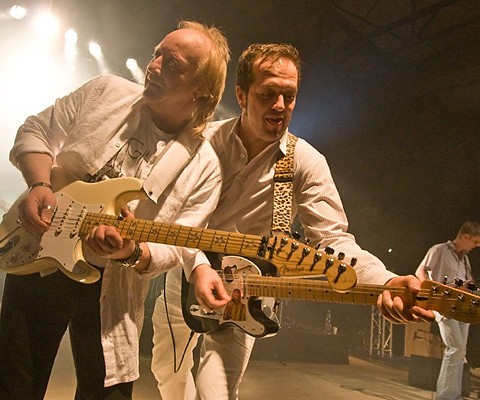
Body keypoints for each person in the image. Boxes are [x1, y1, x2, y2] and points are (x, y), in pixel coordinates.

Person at [151, 43, 435, 400]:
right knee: (167, 374)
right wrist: (196, 266)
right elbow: (174, 216)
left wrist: (387, 281)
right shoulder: (204, 141)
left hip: (244, 293)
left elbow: (334, 241)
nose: (281, 107)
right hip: (185, 275)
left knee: (217, 392)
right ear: (241, 94)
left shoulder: (304, 161)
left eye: (290, 95)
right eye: (268, 94)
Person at [0, 20, 230, 399]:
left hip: (113, 292)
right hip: (39, 253)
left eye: (172, 65)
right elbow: (36, 130)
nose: (153, 66)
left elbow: (179, 243)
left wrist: (132, 250)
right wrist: (39, 185)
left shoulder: (203, 167)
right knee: (14, 385)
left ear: (201, 92)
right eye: (157, 54)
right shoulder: (106, 91)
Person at [415, 221, 480, 400]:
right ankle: (446, 397)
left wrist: (473, 287)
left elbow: (469, 282)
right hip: (444, 306)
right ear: (465, 237)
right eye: (475, 242)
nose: (477, 246)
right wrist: (429, 294)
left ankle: (454, 395)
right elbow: (420, 271)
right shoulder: (439, 250)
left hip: (462, 307)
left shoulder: (465, 258)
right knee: (455, 348)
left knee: (460, 352)